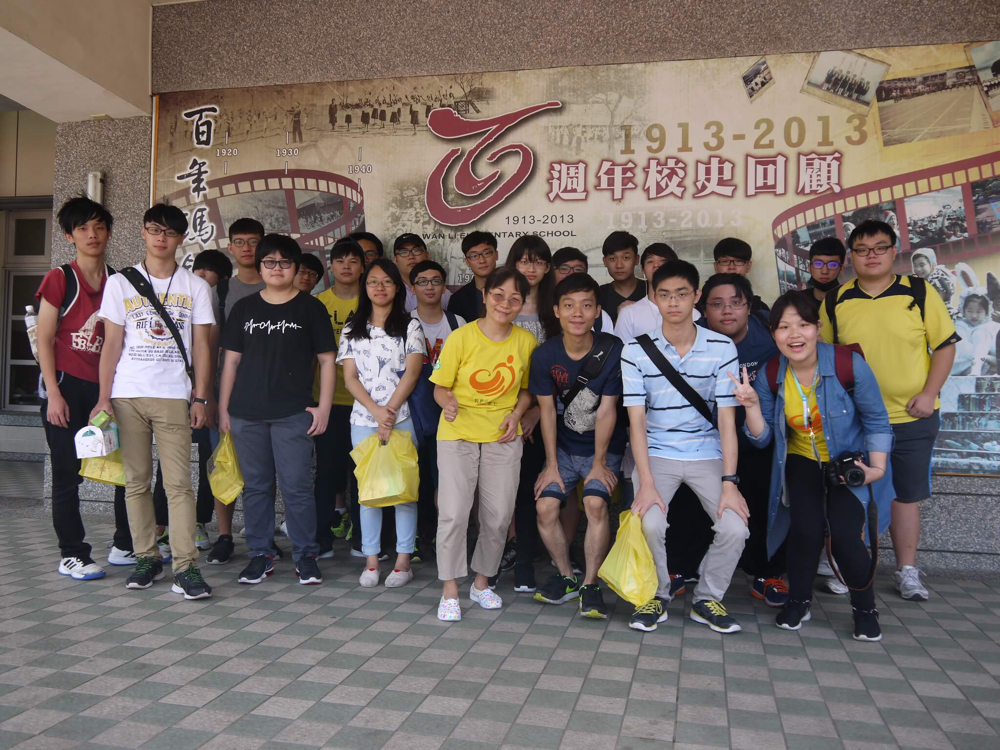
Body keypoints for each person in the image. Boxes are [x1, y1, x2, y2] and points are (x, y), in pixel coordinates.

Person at [737, 291, 894, 641]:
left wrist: (877, 469)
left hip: (847, 462)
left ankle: (865, 609)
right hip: (801, 461)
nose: (794, 335)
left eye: (803, 325)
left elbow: (877, 420)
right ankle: (799, 601)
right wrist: (750, 405)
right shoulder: (772, 373)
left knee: (845, 537)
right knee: (804, 532)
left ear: (818, 328)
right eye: (784, 327)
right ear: (773, 334)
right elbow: (762, 438)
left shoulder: (847, 364)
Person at [821, 220, 958, 602]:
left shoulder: (919, 291)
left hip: (913, 416)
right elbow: (826, 357)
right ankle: (852, 566)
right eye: (862, 250)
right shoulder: (836, 300)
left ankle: (907, 571)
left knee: (905, 495)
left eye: (880, 248)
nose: (872, 256)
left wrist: (929, 394)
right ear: (851, 256)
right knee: (855, 491)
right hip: (857, 420)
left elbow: (944, 346)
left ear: (894, 251)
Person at [92, 204, 215, 600]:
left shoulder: (195, 286)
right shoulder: (120, 283)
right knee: (136, 483)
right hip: (127, 394)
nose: (161, 238)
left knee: (179, 484)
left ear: (182, 238)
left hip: (174, 394)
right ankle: (146, 557)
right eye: (154, 230)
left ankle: (185, 566)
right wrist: (103, 397)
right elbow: (112, 344)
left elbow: (202, 346)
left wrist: (201, 397)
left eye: (170, 232)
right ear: (143, 233)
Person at [621, 259, 748, 633]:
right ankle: (657, 595)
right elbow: (636, 421)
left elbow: (727, 420)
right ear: (654, 298)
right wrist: (645, 482)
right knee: (649, 523)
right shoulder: (635, 351)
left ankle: (707, 598)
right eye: (664, 295)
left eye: (681, 294)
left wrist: (730, 483)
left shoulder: (721, 346)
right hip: (656, 453)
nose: (673, 302)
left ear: (696, 296)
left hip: (707, 452)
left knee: (735, 527)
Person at [218, 235, 336, 586]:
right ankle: (260, 554)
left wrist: (324, 407)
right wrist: (224, 409)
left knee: (297, 486)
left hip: (293, 413)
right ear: (260, 266)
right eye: (269, 261)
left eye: (285, 262)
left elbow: (327, 361)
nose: (277, 268)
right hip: (246, 413)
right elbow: (231, 362)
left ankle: (306, 556)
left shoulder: (310, 308)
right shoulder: (244, 308)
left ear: (296, 268)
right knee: (256, 487)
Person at [430, 267, 537, 622]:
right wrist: (447, 403)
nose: (505, 304)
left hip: (503, 435)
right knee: (454, 512)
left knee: (499, 515)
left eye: (514, 299)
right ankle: (449, 589)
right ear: (485, 295)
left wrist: (517, 414)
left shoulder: (525, 342)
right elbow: (439, 387)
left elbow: (526, 391)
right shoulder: (461, 337)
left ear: (522, 304)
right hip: (457, 433)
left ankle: (481, 583)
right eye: (498, 295)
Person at [36, 196, 133, 579]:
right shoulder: (60, 278)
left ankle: (125, 545)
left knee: (127, 470)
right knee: (67, 474)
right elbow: (44, 339)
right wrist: (53, 394)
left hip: (109, 389)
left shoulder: (119, 281)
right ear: (69, 235)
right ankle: (72, 554)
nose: (92, 234)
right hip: (66, 386)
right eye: (82, 228)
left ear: (108, 232)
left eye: (99, 227)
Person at [531, 274, 626, 618]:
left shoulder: (612, 349)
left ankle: (591, 584)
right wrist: (551, 465)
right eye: (569, 305)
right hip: (564, 449)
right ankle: (567, 577)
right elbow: (546, 412)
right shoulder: (545, 355)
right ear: (556, 311)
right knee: (545, 507)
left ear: (597, 311)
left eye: (586, 305)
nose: (577, 313)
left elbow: (608, 410)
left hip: (603, 447)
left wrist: (599, 463)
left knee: (595, 503)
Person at [698, 273, 785, 606]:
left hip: (759, 437)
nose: (727, 311)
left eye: (735, 303)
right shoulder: (691, 338)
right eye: (717, 304)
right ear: (704, 308)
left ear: (749, 307)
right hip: (707, 440)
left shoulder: (770, 339)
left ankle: (767, 572)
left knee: (763, 500)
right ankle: (682, 567)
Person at [338, 259, 426, 588]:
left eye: (387, 281)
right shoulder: (352, 327)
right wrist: (376, 412)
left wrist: (388, 413)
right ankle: (372, 561)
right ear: (365, 287)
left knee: (405, 492)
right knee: (369, 492)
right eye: (373, 281)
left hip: (402, 419)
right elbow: (350, 377)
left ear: (397, 288)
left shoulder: (410, 326)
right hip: (363, 420)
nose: (380, 287)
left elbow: (412, 373)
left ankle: (403, 561)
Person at [498, 235, 558, 593]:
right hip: (501, 414)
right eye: (523, 260)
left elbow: (563, 370)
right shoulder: (502, 309)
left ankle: (525, 561)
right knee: (501, 491)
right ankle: (504, 551)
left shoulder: (557, 309)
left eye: (537, 261)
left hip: (542, 417)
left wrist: (536, 410)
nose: (530, 268)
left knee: (528, 490)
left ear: (548, 267)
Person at [205, 218, 266, 564]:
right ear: (230, 248)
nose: (247, 248)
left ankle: (262, 536)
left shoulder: (278, 285)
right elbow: (210, 345)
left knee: (264, 468)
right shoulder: (222, 291)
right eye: (239, 242)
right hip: (226, 392)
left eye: (253, 241)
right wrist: (209, 396)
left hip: (267, 392)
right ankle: (225, 535)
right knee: (224, 464)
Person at [409, 259, 466, 558]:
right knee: (413, 476)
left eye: (435, 281)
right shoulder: (403, 322)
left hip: (449, 411)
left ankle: (441, 540)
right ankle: (417, 536)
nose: (429, 286)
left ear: (445, 287)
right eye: (422, 281)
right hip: (412, 410)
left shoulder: (458, 322)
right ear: (412, 287)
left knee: (443, 478)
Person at [312, 238, 364, 556]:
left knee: (362, 473)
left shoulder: (371, 302)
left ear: (362, 267)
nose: (346, 266)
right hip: (327, 403)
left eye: (353, 261)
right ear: (331, 266)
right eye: (340, 260)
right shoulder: (317, 303)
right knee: (327, 473)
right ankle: (322, 539)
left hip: (365, 404)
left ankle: (363, 539)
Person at [612, 243, 680, 343]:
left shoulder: (691, 314)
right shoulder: (628, 314)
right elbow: (621, 351)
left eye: (663, 261)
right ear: (643, 271)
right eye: (650, 261)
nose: (656, 265)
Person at [551, 247, 614, 332]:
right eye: (564, 269)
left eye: (578, 269)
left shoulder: (601, 318)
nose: (571, 274)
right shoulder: (539, 307)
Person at [393, 233, 452, 312]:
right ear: (395, 259)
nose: (411, 256)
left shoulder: (444, 294)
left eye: (416, 250)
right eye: (403, 252)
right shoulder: (390, 290)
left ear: (427, 255)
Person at [448, 231, 498, 323]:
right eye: (474, 256)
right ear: (467, 261)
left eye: (487, 253)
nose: (482, 261)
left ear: (496, 255)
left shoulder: (512, 291)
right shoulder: (458, 299)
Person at [712, 238, 769, 317]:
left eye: (739, 261)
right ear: (716, 266)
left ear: (748, 266)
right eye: (725, 261)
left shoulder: (760, 309)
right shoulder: (701, 306)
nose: (732, 267)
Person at [599, 231, 645, 323]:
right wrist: (621, 320)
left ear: (636, 259)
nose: (619, 265)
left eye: (626, 258)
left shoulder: (651, 290)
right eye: (613, 259)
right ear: (605, 261)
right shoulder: (598, 294)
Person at [804, 237, 845, 312]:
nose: (825, 271)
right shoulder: (797, 301)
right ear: (809, 267)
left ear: (841, 269)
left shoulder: (851, 301)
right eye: (818, 264)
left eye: (832, 265)